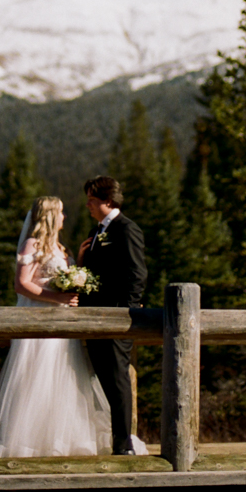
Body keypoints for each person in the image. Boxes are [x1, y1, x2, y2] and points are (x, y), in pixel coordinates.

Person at [0, 195, 111, 458]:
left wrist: (77, 263)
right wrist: (56, 297)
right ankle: (27, 444)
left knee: (64, 379)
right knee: (38, 378)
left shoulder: (60, 247)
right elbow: (21, 284)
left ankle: (60, 442)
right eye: (61, 212)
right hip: (39, 323)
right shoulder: (32, 244)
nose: (65, 217)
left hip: (62, 325)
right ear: (49, 216)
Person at [78, 175, 148, 456]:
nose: (88, 206)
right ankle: (108, 438)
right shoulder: (97, 232)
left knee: (118, 379)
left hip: (116, 319)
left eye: (92, 201)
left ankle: (123, 444)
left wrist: (125, 314)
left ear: (108, 201)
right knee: (103, 379)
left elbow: (137, 273)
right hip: (94, 319)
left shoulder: (126, 229)